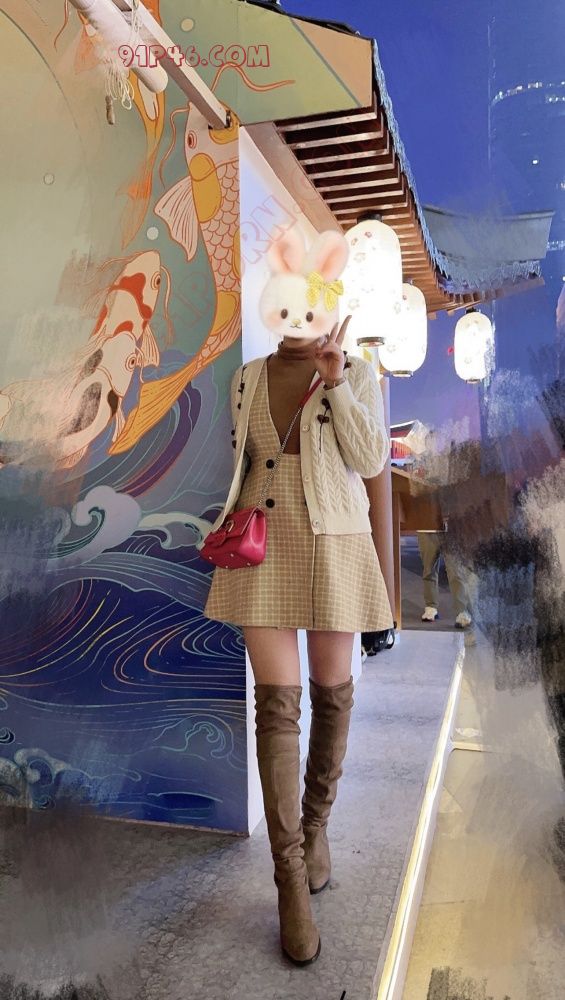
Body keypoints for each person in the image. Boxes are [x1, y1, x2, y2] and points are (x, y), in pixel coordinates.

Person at [203, 228, 393, 967]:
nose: (296, 319)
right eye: (285, 306)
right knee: (276, 707)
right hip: (261, 547)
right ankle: (289, 879)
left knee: (332, 692)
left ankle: (316, 831)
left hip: (333, 540)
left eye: (309, 307)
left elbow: (368, 459)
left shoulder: (357, 371)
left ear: (326, 303)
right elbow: (246, 461)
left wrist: (336, 379)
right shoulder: (246, 377)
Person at [417, 527, 472, 628]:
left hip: (451, 529)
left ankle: (462, 611)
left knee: (455, 571)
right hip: (426, 528)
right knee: (429, 570)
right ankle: (431, 606)